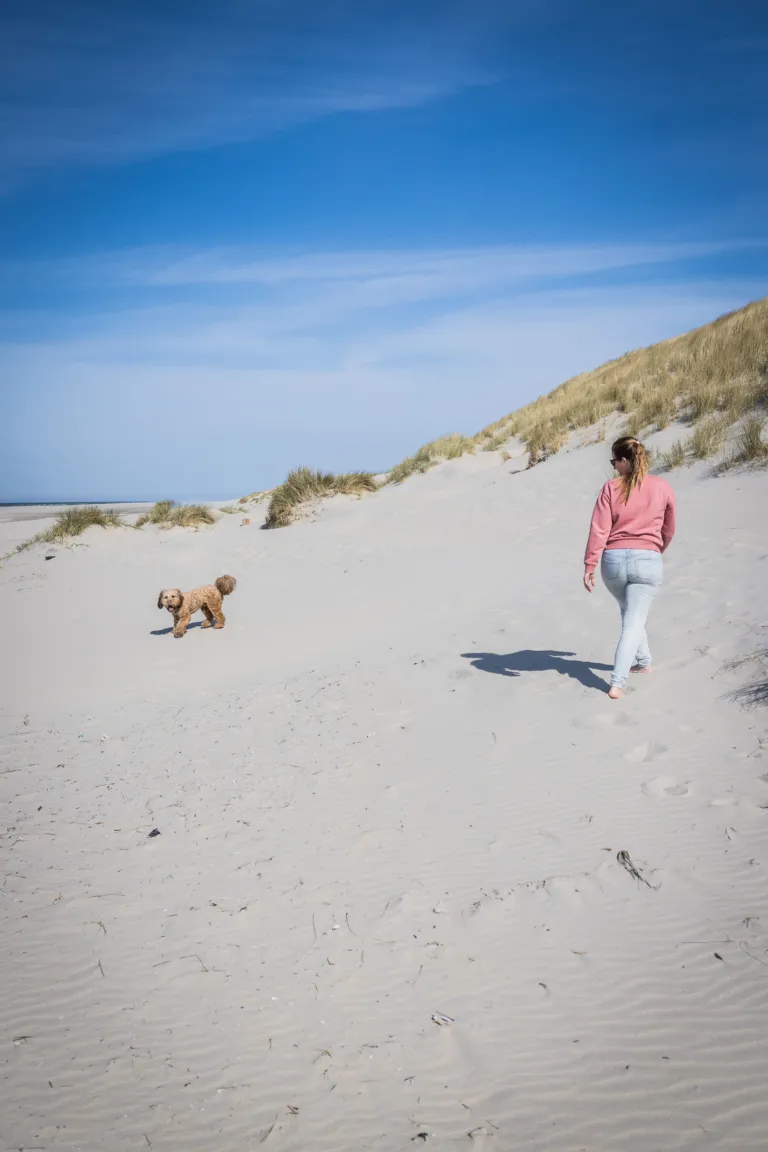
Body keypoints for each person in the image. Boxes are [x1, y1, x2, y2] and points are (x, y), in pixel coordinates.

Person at [583, 436, 676, 699]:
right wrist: (656, 550)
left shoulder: (610, 488)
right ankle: (617, 682)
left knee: (630, 613)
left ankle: (643, 662)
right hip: (647, 558)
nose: (613, 466)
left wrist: (590, 564)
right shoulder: (662, 487)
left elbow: (599, 529)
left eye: (614, 461)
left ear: (625, 461)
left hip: (613, 560)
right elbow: (669, 528)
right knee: (634, 617)